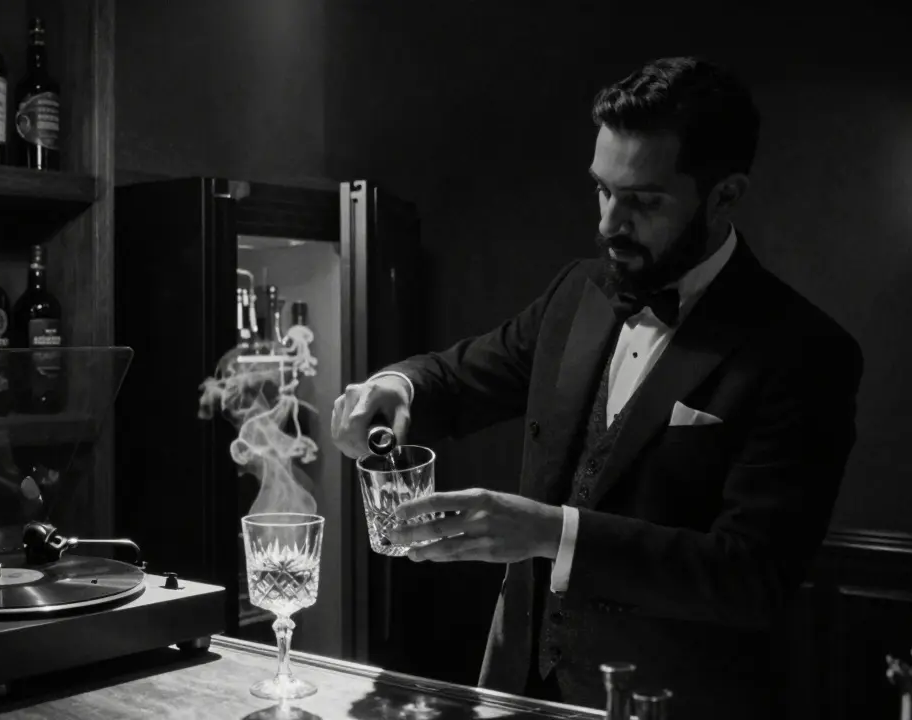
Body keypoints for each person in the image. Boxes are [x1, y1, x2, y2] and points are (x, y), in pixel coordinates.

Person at [330, 56, 863, 720]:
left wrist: (554, 533)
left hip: (669, 703)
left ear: (725, 195)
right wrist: (394, 388)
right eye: (601, 190)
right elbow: (458, 377)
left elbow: (751, 577)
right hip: (517, 689)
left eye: (641, 201)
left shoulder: (803, 351)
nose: (610, 223)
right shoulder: (576, 293)